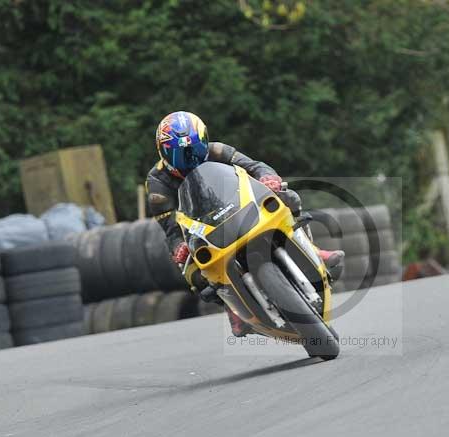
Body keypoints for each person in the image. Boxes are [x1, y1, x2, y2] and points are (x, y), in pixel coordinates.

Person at [146, 111, 344, 335]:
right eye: (181, 155)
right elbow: (170, 227)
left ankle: (313, 250)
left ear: (204, 140)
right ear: (164, 153)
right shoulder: (157, 183)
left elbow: (255, 166)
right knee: (191, 269)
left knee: (289, 197)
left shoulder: (217, 150)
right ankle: (232, 308)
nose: (190, 159)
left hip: (240, 206)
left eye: (195, 149)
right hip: (203, 226)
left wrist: (268, 177)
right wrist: (178, 247)